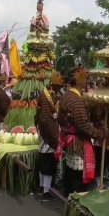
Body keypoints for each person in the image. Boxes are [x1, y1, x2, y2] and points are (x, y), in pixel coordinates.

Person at [56, 66, 107, 197]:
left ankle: (68, 200)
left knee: (70, 172)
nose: (86, 81)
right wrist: (101, 133)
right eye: (84, 78)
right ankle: (75, 204)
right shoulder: (75, 100)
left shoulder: (66, 96)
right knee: (78, 177)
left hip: (69, 140)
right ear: (79, 81)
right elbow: (83, 126)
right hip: (77, 143)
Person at [35, 71, 64, 201]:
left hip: (45, 133)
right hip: (48, 135)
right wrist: (53, 137)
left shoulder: (47, 95)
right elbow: (45, 119)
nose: (59, 90)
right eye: (58, 87)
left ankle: (42, 186)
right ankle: (46, 190)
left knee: (44, 160)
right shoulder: (47, 97)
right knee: (48, 163)